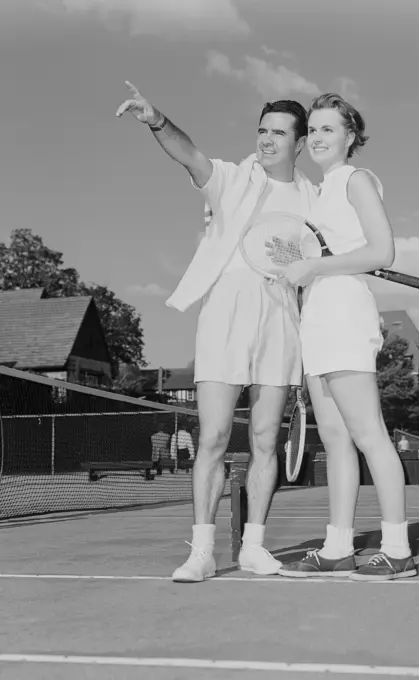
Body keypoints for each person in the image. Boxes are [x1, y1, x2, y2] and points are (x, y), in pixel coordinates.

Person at [116, 82, 317, 583]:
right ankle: (202, 551)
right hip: (224, 318)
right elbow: (189, 154)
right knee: (215, 438)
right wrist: (155, 117)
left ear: (300, 142)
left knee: (266, 439)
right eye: (261, 130)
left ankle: (253, 547)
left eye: (278, 133)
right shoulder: (231, 177)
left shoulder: (315, 198)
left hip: (281, 324)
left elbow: (319, 262)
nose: (266, 140)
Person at [275, 93, 417, 581]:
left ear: (351, 136)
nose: (316, 137)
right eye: (312, 130)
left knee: (368, 434)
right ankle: (338, 546)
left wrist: (315, 264)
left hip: (345, 315)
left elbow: (382, 250)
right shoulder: (316, 193)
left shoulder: (356, 181)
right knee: (335, 439)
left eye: (328, 129)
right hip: (316, 319)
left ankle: (397, 548)